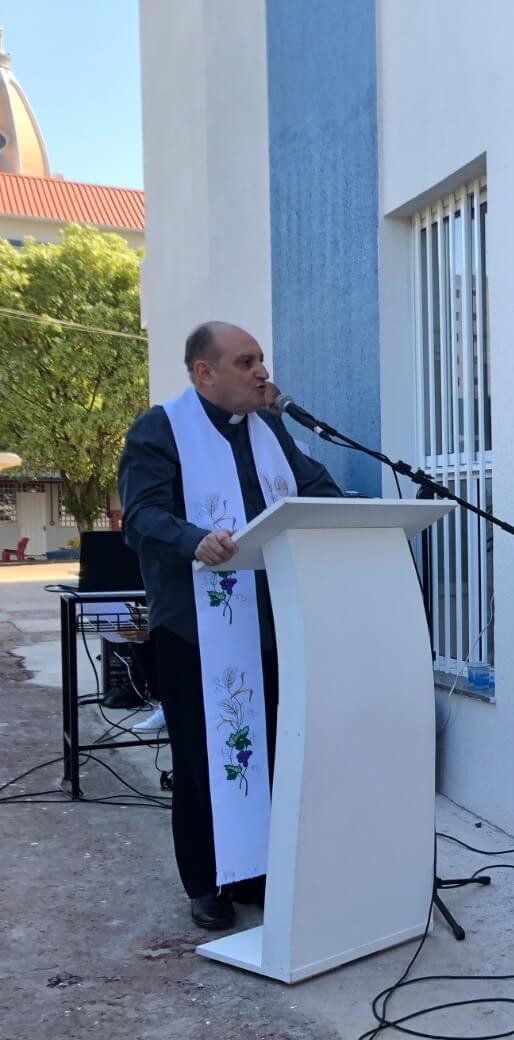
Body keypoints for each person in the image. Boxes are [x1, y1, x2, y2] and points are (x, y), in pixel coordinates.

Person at [118, 322, 344, 930]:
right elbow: (140, 517)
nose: (261, 372)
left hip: (273, 620)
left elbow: (311, 486)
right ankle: (207, 881)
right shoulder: (160, 429)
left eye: (261, 360)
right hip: (196, 625)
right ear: (204, 374)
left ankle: (258, 869)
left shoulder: (268, 428)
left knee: (269, 746)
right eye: (245, 362)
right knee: (201, 756)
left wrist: (360, 515)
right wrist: (196, 541)